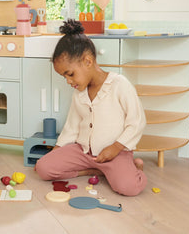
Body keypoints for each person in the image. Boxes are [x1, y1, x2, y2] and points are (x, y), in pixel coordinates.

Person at [35, 19, 147, 196]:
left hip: (115, 153)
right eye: (64, 77)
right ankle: (93, 171)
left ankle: (135, 168)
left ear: (88, 61)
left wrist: (116, 147)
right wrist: (57, 151)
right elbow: (72, 126)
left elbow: (137, 122)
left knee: (128, 187)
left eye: (70, 74)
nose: (69, 81)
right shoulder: (79, 93)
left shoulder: (119, 84)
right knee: (42, 167)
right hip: (83, 152)